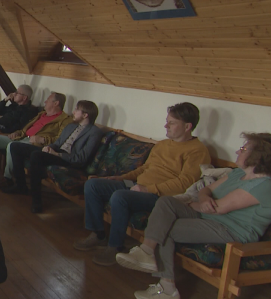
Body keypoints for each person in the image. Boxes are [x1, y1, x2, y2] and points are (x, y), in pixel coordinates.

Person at [115, 133, 271, 299]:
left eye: (243, 149)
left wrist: (192, 204)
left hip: (231, 230)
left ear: (259, 155)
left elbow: (218, 208)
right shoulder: (237, 173)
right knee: (166, 202)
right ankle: (147, 251)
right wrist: (203, 199)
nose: (237, 151)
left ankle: (167, 290)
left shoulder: (265, 186)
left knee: (167, 228)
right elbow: (205, 190)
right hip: (209, 218)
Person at [74, 102, 211, 266]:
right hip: (137, 185)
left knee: (120, 197)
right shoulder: (163, 144)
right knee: (93, 185)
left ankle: (115, 246)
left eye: (172, 123)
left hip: (159, 196)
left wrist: (148, 189)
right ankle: (98, 235)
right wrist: (121, 178)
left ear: (187, 126)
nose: (166, 126)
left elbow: (185, 183)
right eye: (167, 121)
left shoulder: (197, 150)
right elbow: (145, 168)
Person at [6, 101, 104, 213]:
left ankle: (36, 200)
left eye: (76, 110)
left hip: (68, 160)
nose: (73, 112)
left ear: (85, 115)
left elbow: (81, 158)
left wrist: (57, 154)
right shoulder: (71, 126)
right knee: (15, 146)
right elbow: (57, 144)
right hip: (55, 153)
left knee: (36, 155)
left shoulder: (94, 132)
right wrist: (48, 147)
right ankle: (21, 186)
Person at [0, 92, 72, 189]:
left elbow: (60, 139)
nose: (45, 102)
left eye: (48, 100)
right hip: (22, 137)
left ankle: (8, 179)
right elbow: (26, 128)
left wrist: (43, 139)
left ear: (56, 103)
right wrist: (17, 132)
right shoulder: (42, 114)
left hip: (35, 143)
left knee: (12, 146)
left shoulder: (64, 120)